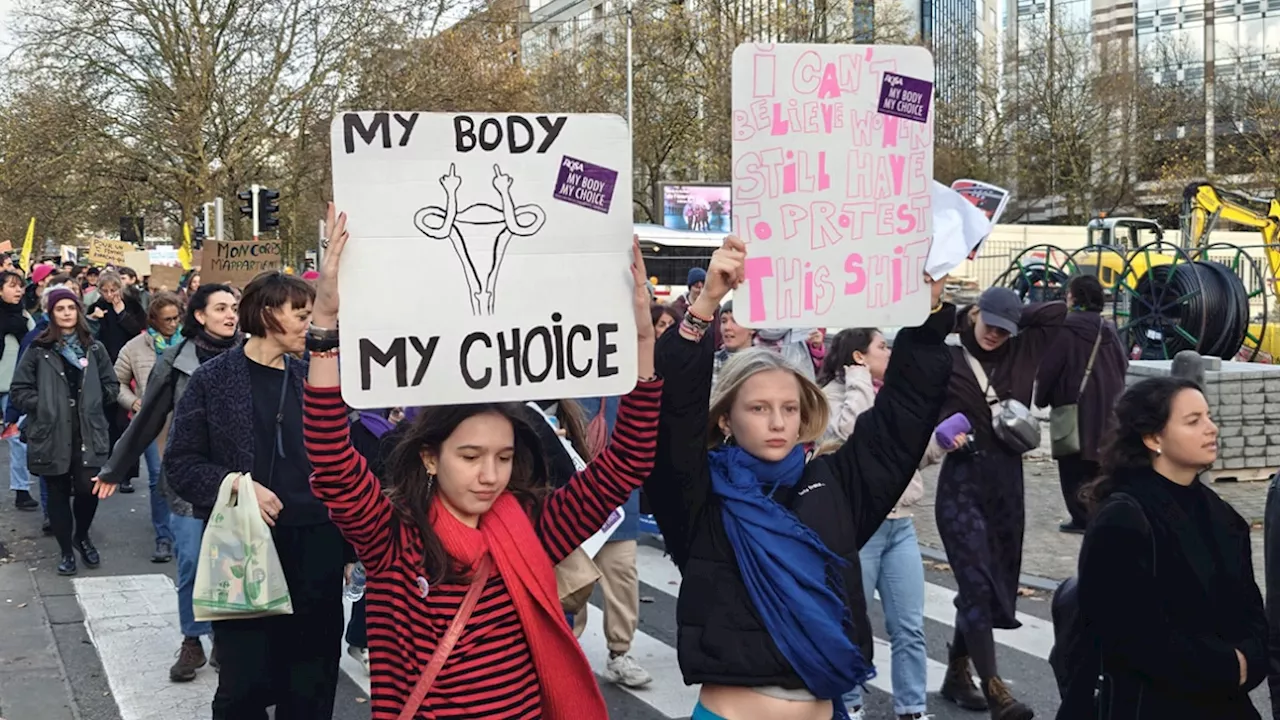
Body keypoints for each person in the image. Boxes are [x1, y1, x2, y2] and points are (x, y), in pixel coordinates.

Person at [303, 206, 660, 719]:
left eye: (504, 457)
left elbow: (627, 461)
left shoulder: (536, 528)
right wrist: (325, 325)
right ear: (430, 455)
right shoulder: (391, 537)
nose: (490, 475)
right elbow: (332, 457)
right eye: (470, 456)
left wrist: (643, 343)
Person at [648, 236, 954, 720]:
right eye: (758, 408)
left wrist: (928, 316)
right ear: (726, 419)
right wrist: (704, 304)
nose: (777, 422)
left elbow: (900, 423)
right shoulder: (698, 494)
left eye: (789, 408)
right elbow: (671, 412)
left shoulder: (833, 484)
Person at [165, 271, 344, 719]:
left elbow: (346, 458)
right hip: (244, 548)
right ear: (268, 314)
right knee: (244, 684)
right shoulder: (213, 379)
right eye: (300, 315)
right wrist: (238, 486)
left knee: (313, 680)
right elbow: (181, 464)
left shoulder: (315, 377)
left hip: (316, 546)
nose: (309, 324)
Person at [1059, 376, 1266, 719]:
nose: (1211, 429)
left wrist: (1248, 660)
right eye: (1193, 421)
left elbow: (1252, 615)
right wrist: (1227, 665)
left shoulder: (1223, 516)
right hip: (1146, 705)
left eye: (1209, 416)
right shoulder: (1123, 519)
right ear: (1154, 438)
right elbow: (1130, 637)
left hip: (1223, 703)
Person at [93, 284, 240, 682]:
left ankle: (226, 641)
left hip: (240, 483)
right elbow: (149, 418)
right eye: (221, 308)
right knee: (191, 559)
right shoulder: (176, 359)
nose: (231, 315)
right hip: (188, 478)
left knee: (233, 564)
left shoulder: (251, 353)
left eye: (235, 307)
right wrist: (114, 469)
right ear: (200, 316)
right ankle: (193, 640)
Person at [820, 328, 968, 720]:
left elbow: (899, 462)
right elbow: (853, 439)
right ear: (858, 357)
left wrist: (938, 443)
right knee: (850, 622)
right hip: (859, 527)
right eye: (882, 347)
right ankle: (849, 704)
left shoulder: (884, 397)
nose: (890, 352)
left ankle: (911, 708)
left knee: (909, 625)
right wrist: (859, 382)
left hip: (900, 524)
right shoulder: (832, 399)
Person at [935, 287, 1064, 720]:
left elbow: (1057, 311)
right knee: (974, 585)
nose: (995, 335)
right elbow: (925, 414)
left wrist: (1011, 314)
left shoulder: (1023, 347)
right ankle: (996, 692)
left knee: (991, 583)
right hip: (961, 485)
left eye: (1004, 329)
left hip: (1008, 484)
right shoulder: (947, 360)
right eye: (989, 324)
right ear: (975, 314)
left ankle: (956, 674)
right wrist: (941, 432)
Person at [11, 287, 119, 576]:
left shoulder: (94, 348)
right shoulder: (38, 349)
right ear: (52, 313)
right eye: (61, 309)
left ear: (79, 312)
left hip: (87, 430)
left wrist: (96, 398)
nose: (67, 313)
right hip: (51, 431)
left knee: (89, 489)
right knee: (57, 492)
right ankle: (65, 551)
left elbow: (112, 385)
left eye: (71, 308)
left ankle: (81, 535)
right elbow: (19, 390)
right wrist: (44, 404)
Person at [1035, 274, 1128, 533]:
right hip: (1108, 410)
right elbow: (1123, 365)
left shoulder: (1065, 328)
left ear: (1074, 297)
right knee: (1100, 465)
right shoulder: (1107, 328)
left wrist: (1042, 398)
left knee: (1072, 465)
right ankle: (1099, 514)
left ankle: (1081, 518)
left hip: (1074, 409)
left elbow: (1050, 368)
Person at [112, 292, 185, 562]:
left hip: (186, 419)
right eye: (167, 319)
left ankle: (182, 529)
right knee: (158, 478)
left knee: (183, 476)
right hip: (155, 421)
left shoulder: (190, 345)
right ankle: (163, 537)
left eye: (176, 318)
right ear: (153, 320)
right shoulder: (134, 347)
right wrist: (133, 403)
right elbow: (115, 381)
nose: (173, 324)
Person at [0, 271, 37, 510]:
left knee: (17, 440)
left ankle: (21, 489)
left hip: (15, 389)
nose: (18, 291)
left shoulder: (25, 318)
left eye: (20, 287)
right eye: (12, 286)